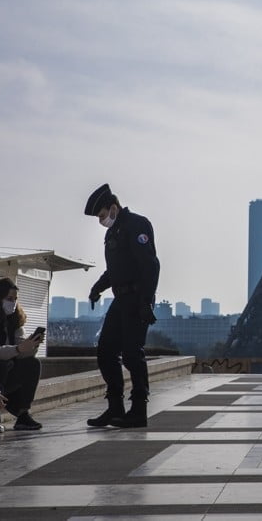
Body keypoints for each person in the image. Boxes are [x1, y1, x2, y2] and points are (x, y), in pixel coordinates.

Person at [84, 183, 160, 428]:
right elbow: (115, 270)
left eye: (103, 215)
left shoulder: (136, 224)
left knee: (131, 354)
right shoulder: (114, 231)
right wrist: (98, 287)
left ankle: (139, 409)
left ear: (113, 207)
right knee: (106, 351)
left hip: (137, 298)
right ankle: (115, 408)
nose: (101, 221)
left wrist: (146, 302)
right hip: (121, 299)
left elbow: (150, 265)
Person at [0, 277, 43, 430]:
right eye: (9, 298)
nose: (12, 303)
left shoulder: (15, 320)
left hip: (8, 370)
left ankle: (23, 414)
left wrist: (31, 346)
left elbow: (20, 349)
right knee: (2, 365)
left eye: (15, 299)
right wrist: (18, 349)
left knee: (32, 364)